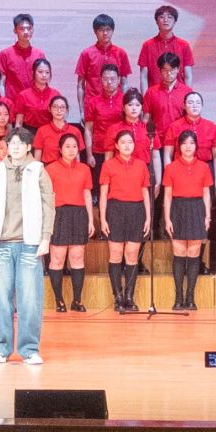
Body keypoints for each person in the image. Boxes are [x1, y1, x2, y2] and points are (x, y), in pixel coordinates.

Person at [0, 128, 55, 365]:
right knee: (1, 299)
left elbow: (48, 205)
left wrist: (46, 237)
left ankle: (29, 349)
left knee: (30, 299)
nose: (14, 147)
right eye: (11, 143)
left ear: (28, 147)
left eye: (20, 143)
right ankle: (1, 348)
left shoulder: (38, 170)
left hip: (30, 243)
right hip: (2, 243)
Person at [96, 126, 152, 313]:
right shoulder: (109, 165)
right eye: (123, 142)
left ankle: (129, 296)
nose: (127, 145)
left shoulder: (141, 165)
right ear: (116, 146)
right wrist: (103, 218)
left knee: (132, 254)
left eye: (130, 142)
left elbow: (145, 192)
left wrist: (148, 217)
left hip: (136, 210)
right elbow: (103, 194)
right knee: (116, 253)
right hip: (116, 210)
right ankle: (118, 297)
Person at [160, 129, 214, 310]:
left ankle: (190, 297)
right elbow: (167, 196)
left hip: (197, 208)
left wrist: (207, 216)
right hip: (178, 208)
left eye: (191, 143)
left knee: (194, 253)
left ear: (196, 146)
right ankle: (178, 297)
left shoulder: (204, 167)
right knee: (179, 253)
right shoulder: (171, 168)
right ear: (179, 147)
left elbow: (206, 193)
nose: (188, 146)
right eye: (184, 143)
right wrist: (167, 219)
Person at [43, 131, 94, 313]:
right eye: (67, 146)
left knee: (77, 258)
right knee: (57, 258)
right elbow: (45, 197)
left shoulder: (84, 169)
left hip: (79, 214)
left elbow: (87, 195)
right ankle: (59, 301)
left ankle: (77, 300)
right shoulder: (50, 169)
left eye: (74, 146)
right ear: (60, 149)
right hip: (58, 214)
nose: (71, 150)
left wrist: (90, 220)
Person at [137, 3, 194, 90]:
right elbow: (143, 76)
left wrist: (188, 95)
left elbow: (188, 76)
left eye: (170, 17)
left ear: (175, 21)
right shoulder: (147, 45)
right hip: (154, 93)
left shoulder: (184, 45)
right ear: (156, 21)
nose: (166, 20)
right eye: (162, 17)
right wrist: (145, 97)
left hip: (178, 93)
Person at [0, 13, 44, 93]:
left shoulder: (39, 54)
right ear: (15, 30)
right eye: (22, 29)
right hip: (13, 100)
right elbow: (0, 82)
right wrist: (4, 99)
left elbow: (43, 80)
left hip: (34, 99)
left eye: (29, 28)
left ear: (33, 30)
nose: (26, 32)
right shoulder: (5, 54)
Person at [12, 58, 58, 131]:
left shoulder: (55, 94)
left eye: (47, 72)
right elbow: (19, 122)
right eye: (40, 72)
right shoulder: (23, 95)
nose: (44, 75)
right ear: (33, 73)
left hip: (49, 132)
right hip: (29, 133)